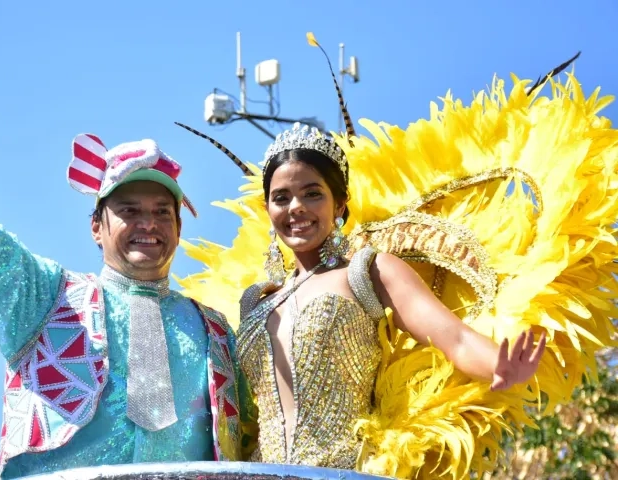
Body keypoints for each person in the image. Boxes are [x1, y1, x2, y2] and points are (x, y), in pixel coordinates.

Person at [173, 33, 618, 479]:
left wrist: (499, 366)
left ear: (339, 205)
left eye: (313, 194)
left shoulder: (368, 271)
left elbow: (455, 337)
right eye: (282, 197)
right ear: (267, 209)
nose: (297, 209)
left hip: (345, 473)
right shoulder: (255, 301)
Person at [0, 8, 255, 480]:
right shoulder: (45, 300)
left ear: (179, 231)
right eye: (129, 210)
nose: (149, 223)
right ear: (96, 228)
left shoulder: (215, 333)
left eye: (162, 212)